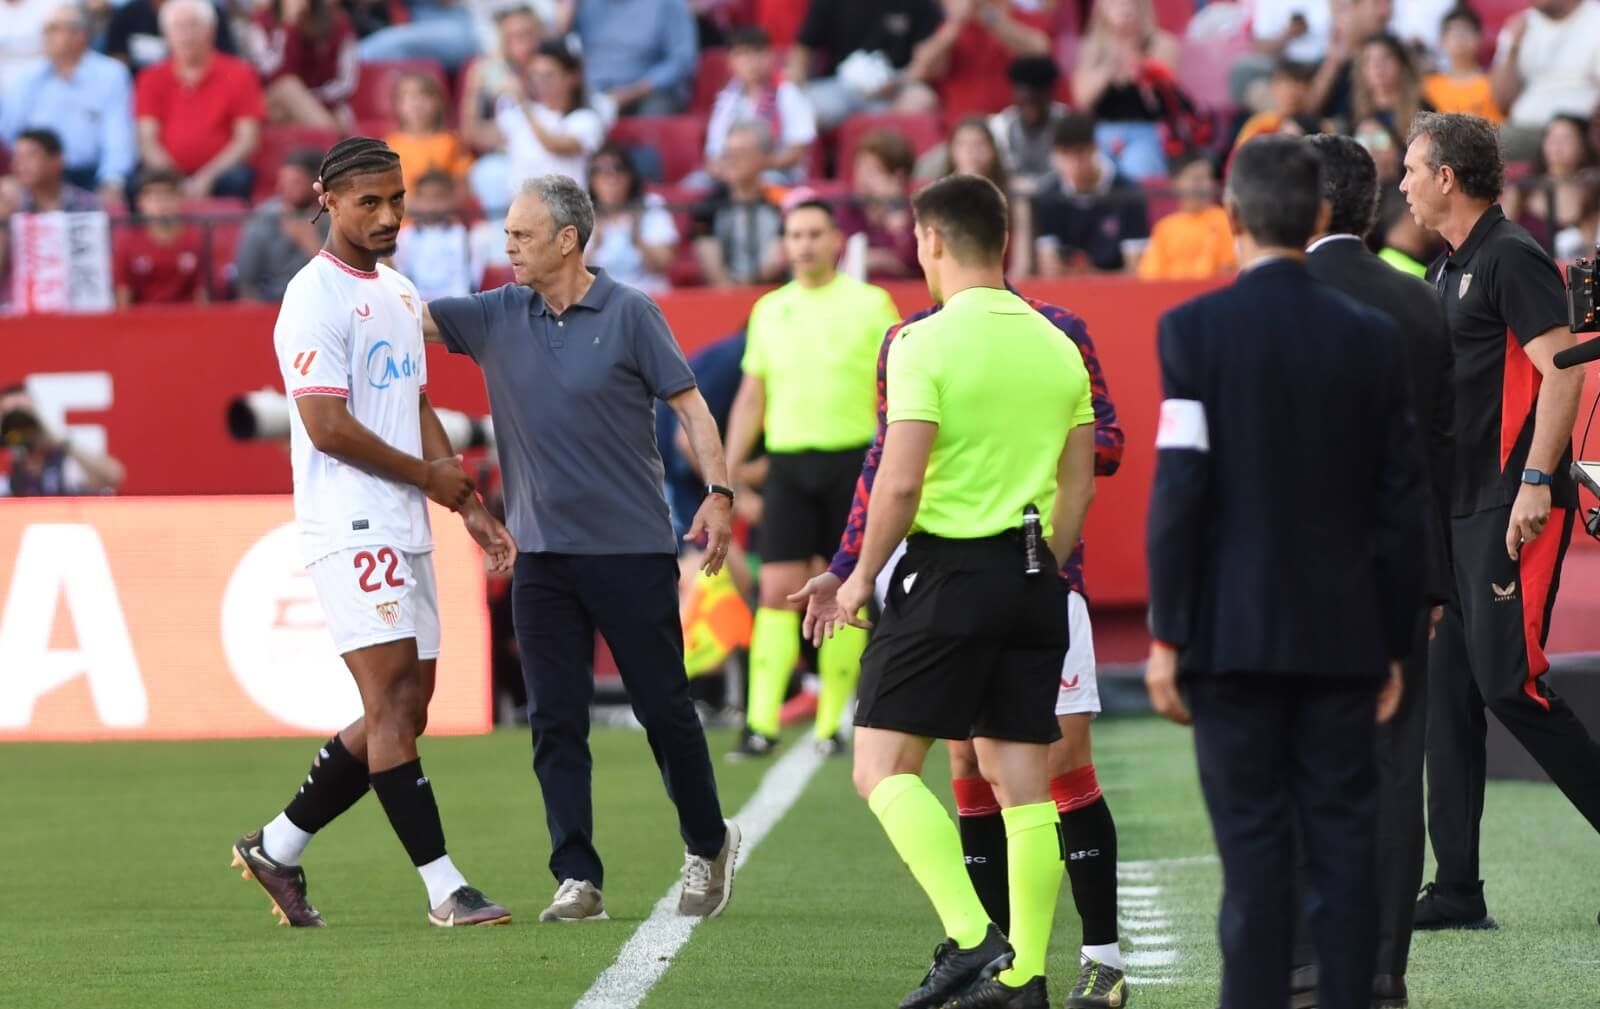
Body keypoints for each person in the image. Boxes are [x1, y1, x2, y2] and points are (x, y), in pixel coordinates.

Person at [791, 241, 1132, 1009]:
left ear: (932, 243)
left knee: (1027, 767)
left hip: (971, 573)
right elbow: (887, 463)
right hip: (1031, 574)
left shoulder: (955, 337)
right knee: (992, 777)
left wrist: (855, 576)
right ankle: (1018, 972)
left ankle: (1042, 948)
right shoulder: (1028, 340)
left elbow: (898, 470)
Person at [1144, 134, 1424, 1009]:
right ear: (1317, 217)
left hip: (1231, 639)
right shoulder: (1372, 336)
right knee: (1345, 857)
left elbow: (1180, 490)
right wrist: (1395, 642)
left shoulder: (1191, 329)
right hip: (1344, 639)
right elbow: (1398, 503)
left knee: (1254, 861)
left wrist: (1166, 634)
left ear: (1230, 217)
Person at [420, 173, 741, 924]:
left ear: (568, 239)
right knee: (554, 719)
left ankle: (707, 843)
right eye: (505, 234)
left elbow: (690, 406)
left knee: (664, 709)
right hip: (541, 558)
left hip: (631, 551)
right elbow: (402, 317)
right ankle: (577, 875)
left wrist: (719, 493)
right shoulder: (496, 313)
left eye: (521, 236)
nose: (507, 248)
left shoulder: (632, 313)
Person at [230, 137, 514, 930]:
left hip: (405, 517)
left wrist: (464, 499)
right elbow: (324, 425)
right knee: (389, 702)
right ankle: (444, 887)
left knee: (407, 709)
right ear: (327, 198)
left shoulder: (394, 289)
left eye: (396, 199)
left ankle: (277, 847)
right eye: (370, 202)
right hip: (350, 519)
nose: (390, 216)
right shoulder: (311, 297)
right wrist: (427, 478)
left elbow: (414, 403)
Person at [1399, 111, 1600, 930]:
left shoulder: (1512, 258)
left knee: (1507, 683)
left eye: (1412, 168)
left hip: (1506, 508)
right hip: (1452, 511)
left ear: (1448, 176)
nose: (1403, 183)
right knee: (1447, 695)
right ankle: (1457, 887)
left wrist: (1536, 481)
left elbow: (1565, 376)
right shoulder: (1449, 269)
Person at [1299, 132, 1455, 1009]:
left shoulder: (1264, 300)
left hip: (1291, 577)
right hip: (1400, 573)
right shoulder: (1417, 303)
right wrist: (1431, 578)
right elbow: (1441, 452)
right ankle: (1383, 969)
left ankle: (1301, 957)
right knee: (1396, 768)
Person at [720, 197, 900, 759]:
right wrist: (726, 470)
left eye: (814, 233)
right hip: (789, 464)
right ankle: (760, 724)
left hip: (854, 461)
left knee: (845, 586)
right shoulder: (770, 309)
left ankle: (832, 726)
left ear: (836, 241)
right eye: (794, 234)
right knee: (776, 589)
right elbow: (753, 395)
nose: (803, 244)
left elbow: (899, 384)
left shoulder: (872, 304)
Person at [0, 3, 135, 202]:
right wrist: (12, 176)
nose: (46, 36)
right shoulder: (27, 80)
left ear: (81, 34)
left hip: (90, 176)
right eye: (46, 30)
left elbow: (118, 139)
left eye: (54, 29)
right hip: (36, 179)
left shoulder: (111, 75)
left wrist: (112, 181)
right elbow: (8, 135)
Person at [133, 0, 263, 200]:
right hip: (167, 174)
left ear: (210, 29)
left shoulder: (240, 73)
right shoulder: (150, 77)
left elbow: (246, 139)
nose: (186, 35)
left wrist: (207, 177)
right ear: (166, 34)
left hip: (221, 173)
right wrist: (175, 181)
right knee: (134, 184)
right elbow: (147, 139)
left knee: (240, 179)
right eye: (178, 27)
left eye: (193, 25)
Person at [482, 36, 605, 213]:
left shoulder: (587, 119)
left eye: (549, 76)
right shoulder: (524, 113)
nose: (541, 84)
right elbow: (476, 135)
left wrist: (523, 102)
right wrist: (472, 90)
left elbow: (553, 145)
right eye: (536, 76)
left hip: (564, 216)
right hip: (521, 215)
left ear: (572, 77)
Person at [788, 0, 943, 130]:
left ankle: (898, 161)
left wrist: (897, 83)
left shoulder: (917, 4)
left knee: (922, 101)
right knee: (796, 110)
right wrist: (795, 89)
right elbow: (803, 49)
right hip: (839, 87)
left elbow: (925, 65)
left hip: (893, 89)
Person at [1070, 0, 1181, 180]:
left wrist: (1138, 61)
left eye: (1130, 4)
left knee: (1138, 164)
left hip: (1147, 131)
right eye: (1116, 5)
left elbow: (1166, 95)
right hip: (1103, 133)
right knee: (1097, 169)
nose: (1125, 11)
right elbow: (1082, 100)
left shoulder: (1163, 45)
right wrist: (1108, 68)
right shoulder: (1092, 48)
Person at [1031, 114, 1149, 276]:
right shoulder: (1048, 195)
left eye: (1079, 153)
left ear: (1094, 148)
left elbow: (1136, 270)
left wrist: (1091, 275)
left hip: (1117, 294)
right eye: (1065, 154)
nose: (1073, 164)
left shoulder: (1129, 193)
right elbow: (1049, 269)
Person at [1489, 0, 1600, 163]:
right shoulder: (1521, 24)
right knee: (1474, 147)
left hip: (1579, 128)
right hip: (1524, 127)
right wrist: (1513, 49)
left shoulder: (1595, 20)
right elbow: (1502, 100)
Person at [703, 25, 817, 183]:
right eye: (742, 55)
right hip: (732, 173)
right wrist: (723, 169)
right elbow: (713, 153)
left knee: (767, 180)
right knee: (698, 184)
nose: (751, 62)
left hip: (776, 172)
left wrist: (752, 166)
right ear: (730, 61)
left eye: (757, 53)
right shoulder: (726, 99)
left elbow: (796, 153)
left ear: (771, 56)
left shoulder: (788, 93)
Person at [908, 0, 1052, 124]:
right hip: (962, 129)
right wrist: (957, 22)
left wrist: (989, 15)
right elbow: (922, 70)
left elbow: (1039, 52)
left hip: (1016, 126)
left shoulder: (1029, 18)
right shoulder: (954, 27)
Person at [690, 122, 785, 288]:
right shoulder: (707, 208)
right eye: (728, 153)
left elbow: (775, 263)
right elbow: (712, 268)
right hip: (725, 298)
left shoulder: (783, 202)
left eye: (741, 153)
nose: (732, 161)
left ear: (763, 156)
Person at [245, 0, 359, 130]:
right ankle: (332, 142)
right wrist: (288, 27)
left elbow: (346, 82)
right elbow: (269, 73)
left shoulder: (337, 21)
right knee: (288, 86)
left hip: (318, 99)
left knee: (341, 117)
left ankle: (328, 140)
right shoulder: (261, 21)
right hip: (272, 97)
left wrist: (309, 99)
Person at [572, 0, 697, 116]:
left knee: (656, 108)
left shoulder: (667, 4)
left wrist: (633, 92)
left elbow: (681, 60)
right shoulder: (587, 5)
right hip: (593, 92)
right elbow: (564, 51)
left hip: (646, 93)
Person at [0, 383, 125, 497]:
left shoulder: (65, 460)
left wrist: (62, 441)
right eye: (8, 416)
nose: (18, 426)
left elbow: (112, 477)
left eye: (23, 414)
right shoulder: (7, 465)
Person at [236, 148, 328, 302]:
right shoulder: (262, 218)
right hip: (271, 304)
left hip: (322, 302)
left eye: (296, 182)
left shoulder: (335, 217)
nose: (284, 188)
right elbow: (246, 281)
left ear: (316, 185)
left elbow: (342, 280)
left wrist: (310, 242)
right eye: (283, 181)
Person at [586, 144, 678, 294]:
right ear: (591, 180)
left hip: (648, 298)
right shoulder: (581, 213)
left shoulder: (650, 205)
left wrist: (637, 237)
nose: (611, 178)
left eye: (618, 168)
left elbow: (663, 263)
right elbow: (570, 279)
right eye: (600, 171)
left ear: (630, 175)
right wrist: (595, 243)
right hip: (601, 304)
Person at [836, 128, 921, 281]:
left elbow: (911, 263)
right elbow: (843, 260)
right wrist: (886, 259)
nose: (861, 177)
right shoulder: (849, 208)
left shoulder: (917, 211)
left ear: (897, 177)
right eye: (859, 167)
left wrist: (895, 213)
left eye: (871, 171)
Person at [1135, 152, 1236, 280]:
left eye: (1208, 178)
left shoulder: (1227, 221)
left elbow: (1229, 269)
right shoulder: (1165, 228)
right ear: (1176, 184)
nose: (1203, 185)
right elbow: (1150, 276)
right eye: (1196, 179)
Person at [115, 168, 208, 306]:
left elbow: (202, 295)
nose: (161, 204)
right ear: (140, 202)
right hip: (142, 322)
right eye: (153, 197)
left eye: (167, 195)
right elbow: (123, 297)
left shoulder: (196, 240)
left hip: (187, 321)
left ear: (180, 199)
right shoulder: (128, 242)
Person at [391, 170, 483, 300]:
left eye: (438, 197)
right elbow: (402, 275)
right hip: (418, 306)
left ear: (452, 198)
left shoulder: (463, 235)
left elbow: (467, 277)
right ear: (414, 200)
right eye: (425, 197)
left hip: (455, 305)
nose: (431, 204)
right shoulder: (405, 237)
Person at [989, 55, 1071, 193]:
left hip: (1057, 199)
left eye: (1036, 102)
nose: (1031, 110)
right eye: (1024, 102)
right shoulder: (1000, 126)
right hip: (1011, 199)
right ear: (1014, 96)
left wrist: (1035, 186)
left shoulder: (1067, 123)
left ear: (1049, 95)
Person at [385, 71, 475, 190]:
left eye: (424, 95)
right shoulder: (389, 146)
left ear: (438, 102)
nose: (416, 103)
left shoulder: (452, 142)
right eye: (407, 96)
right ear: (397, 105)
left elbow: (463, 185)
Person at [104, 0, 239, 75]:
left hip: (204, 89)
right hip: (142, 94)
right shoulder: (127, 15)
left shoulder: (207, 11)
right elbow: (117, 65)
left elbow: (227, 59)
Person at [1422, 6, 1503, 124]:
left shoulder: (1494, 83)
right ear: (1441, 41)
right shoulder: (1428, 86)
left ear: (1479, 38)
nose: (1460, 39)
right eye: (1454, 34)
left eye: (1465, 33)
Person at [1351, 32, 1430, 139]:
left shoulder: (1422, 109)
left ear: (1402, 65)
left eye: (1385, 58)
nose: (1377, 66)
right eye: (1369, 60)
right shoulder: (1352, 109)